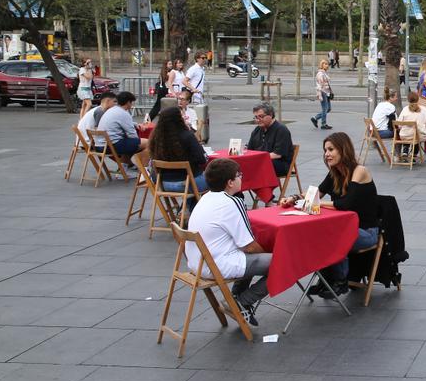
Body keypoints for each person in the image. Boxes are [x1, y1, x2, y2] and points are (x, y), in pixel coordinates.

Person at [285, 132, 380, 299]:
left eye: (331, 149)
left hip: (366, 232)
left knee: (332, 235)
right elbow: (317, 193)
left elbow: (346, 203)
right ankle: (326, 279)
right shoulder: (335, 173)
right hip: (346, 227)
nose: (327, 154)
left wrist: (317, 203)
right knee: (316, 234)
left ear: (343, 150)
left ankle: (340, 280)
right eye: (325, 150)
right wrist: (292, 199)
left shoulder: (359, 171)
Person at [184, 158, 270, 325]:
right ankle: (241, 302)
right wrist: (268, 254)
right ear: (230, 182)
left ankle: (237, 297)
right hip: (216, 265)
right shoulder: (232, 202)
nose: (241, 178)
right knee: (283, 262)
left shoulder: (206, 197)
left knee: (249, 257)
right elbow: (249, 246)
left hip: (197, 263)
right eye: (239, 175)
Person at [148, 106, 209, 204]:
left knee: (192, 182)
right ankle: (192, 211)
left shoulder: (156, 137)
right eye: (182, 115)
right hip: (186, 183)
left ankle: (185, 210)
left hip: (163, 183)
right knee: (215, 179)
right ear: (178, 119)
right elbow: (202, 159)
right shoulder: (187, 136)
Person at [247, 102, 294, 181]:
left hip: (279, 164)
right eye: (255, 117)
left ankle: (265, 192)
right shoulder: (257, 129)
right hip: (261, 162)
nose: (257, 120)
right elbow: (249, 150)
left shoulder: (281, 129)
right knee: (235, 167)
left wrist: (257, 158)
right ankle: (237, 192)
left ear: (271, 115)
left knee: (257, 168)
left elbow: (277, 154)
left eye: (261, 116)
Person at [96, 91, 147, 159]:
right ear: (128, 102)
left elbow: (119, 121)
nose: (132, 105)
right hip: (111, 145)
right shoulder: (124, 113)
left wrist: (134, 124)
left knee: (128, 142)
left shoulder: (112, 110)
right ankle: (141, 163)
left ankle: (126, 163)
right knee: (148, 143)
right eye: (131, 102)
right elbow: (132, 135)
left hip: (100, 144)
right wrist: (137, 144)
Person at [396, 91, 426, 158]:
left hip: (405, 135)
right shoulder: (424, 109)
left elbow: (399, 124)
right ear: (418, 99)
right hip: (420, 136)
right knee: (417, 134)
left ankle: (405, 151)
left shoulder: (405, 109)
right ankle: (414, 154)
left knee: (408, 133)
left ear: (408, 100)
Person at [310, 59, 333, 131]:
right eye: (325, 64)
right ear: (321, 65)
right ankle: (323, 124)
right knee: (325, 109)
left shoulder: (324, 73)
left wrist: (330, 91)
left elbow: (327, 84)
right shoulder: (320, 74)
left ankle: (315, 118)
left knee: (328, 109)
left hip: (327, 92)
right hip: (323, 92)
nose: (327, 65)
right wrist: (319, 95)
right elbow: (319, 86)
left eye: (327, 64)